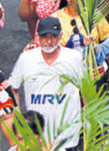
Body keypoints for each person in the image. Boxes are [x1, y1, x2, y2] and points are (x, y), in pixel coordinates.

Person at [8, 16, 83, 149]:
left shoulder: (74, 58)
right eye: (44, 36)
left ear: (60, 36)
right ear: (37, 37)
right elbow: (12, 87)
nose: (49, 41)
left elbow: (86, 90)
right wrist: (18, 116)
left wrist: (88, 120)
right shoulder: (26, 58)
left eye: (53, 36)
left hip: (67, 137)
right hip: (37, 137)